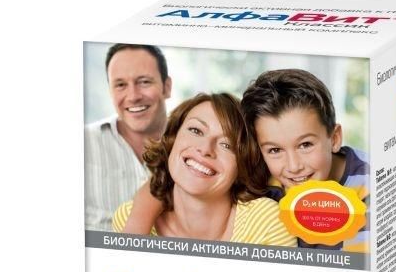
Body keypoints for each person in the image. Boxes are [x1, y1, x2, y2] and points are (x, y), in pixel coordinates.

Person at [113, 93, 297, 247]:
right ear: (172, 139)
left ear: (242, 165)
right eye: (196, 130)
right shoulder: (128, 218)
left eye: (227, 145)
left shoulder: (266, 222)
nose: (205, 149)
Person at [241, 69, 370, 253]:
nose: (294, 166)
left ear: (334, 139)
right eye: (275, 150)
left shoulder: (371, 185)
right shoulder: (264, 184)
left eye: (305, 145)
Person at [84, 43, 172, 231]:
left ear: (166, 87)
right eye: (120, 85)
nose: (133, 96)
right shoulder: (84, 143)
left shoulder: (193, 149)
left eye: (144, 82)